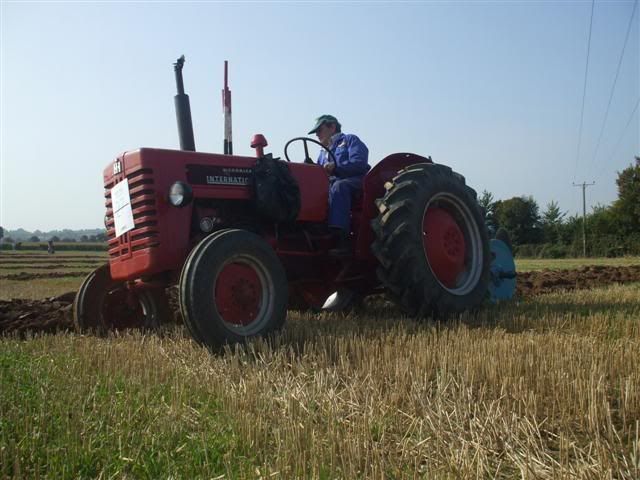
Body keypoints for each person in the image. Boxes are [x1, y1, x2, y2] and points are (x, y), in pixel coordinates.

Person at [308, 114, 370, 255]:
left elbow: (359, 164)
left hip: (355, 180)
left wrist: (335, 168)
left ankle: (342, 238)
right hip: (332, 184)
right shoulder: (322, 153)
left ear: (332, 127)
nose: (317, 134)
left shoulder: (349, 140)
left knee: (339, 186)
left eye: (319, 130)